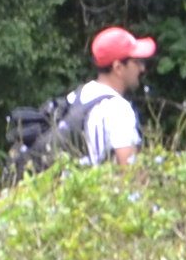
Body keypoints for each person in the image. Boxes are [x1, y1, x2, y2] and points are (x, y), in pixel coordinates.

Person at [62, 24, 157, 164]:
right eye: (137, 62)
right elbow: (130, 173)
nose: (142, 68)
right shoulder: (118, 109)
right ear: (118, 67)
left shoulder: (78, 95)